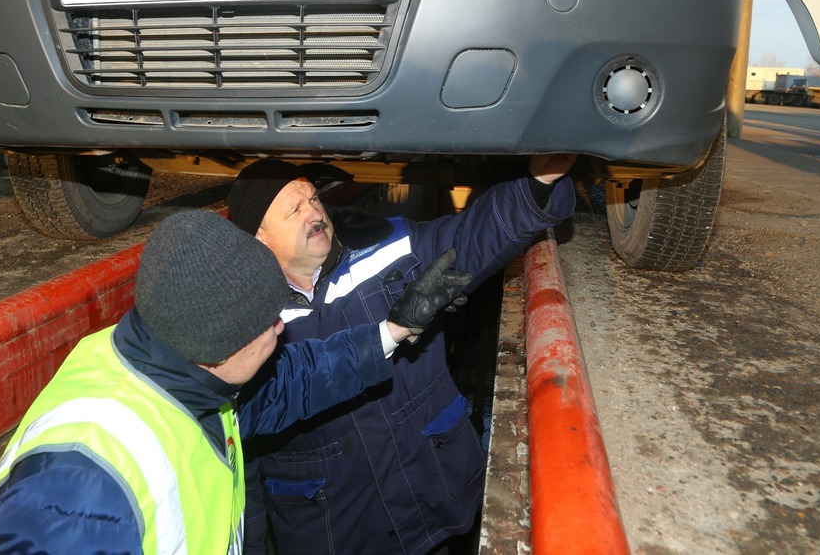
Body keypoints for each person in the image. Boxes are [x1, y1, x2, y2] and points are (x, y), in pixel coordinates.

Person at [0, 210, 469, 555]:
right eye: (268, 322)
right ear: (221, 349)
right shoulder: (74, 493)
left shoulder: (179, 362)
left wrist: (393, 330)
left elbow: (293, 380)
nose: (281, 328)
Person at [228, 154, 577, 555]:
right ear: (258, 236)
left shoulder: (388, 244)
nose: (314, 213)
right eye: (295, 208)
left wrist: (540, 182)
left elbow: (470, 237)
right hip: (333, 529)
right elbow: (242, 451)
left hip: (429, 498)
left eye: (313, 199)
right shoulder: (245, 319)